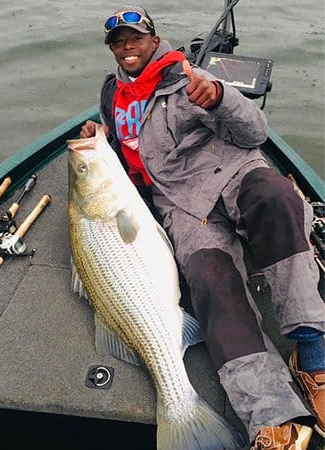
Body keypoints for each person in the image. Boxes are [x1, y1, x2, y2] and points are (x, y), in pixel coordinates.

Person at [80, 5, 325, 449]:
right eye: (118, 42)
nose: (127, 47)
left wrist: (220, 96)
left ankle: (315, 357)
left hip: (233, 171)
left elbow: (255, 133)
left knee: (279, 199)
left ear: (154, 41)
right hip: (181, 205)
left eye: (135, 38)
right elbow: (123, 161)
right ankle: (270, 414)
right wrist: (101, 139)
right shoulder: (111, 96)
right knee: (211, 283)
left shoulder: (188, 76)